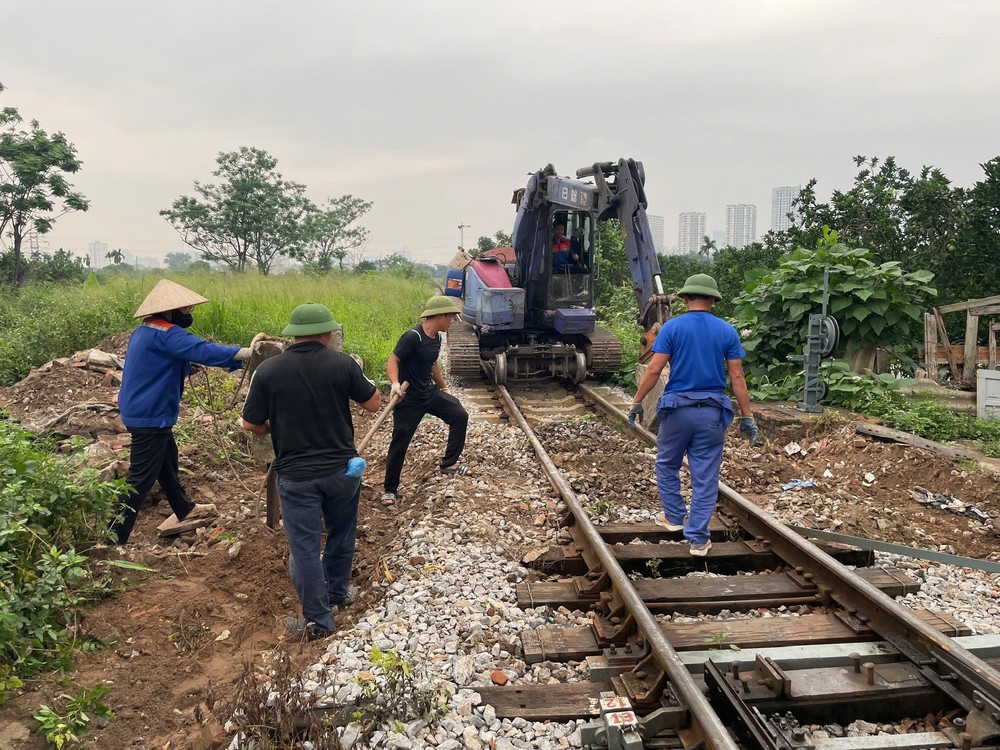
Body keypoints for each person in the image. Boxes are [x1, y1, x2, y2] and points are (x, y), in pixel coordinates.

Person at [242, 302, 380, 640]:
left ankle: (319, 621)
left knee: (303, 547)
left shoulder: (269, 371)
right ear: (327, 334)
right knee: (341, 532)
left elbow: (251, 424)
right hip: (341, 471)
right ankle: (336, 593)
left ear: (293, 336)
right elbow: (374, 403)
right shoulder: (343, 364)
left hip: (296, 475)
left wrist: (274, 427)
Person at [627, 273, 760, 557]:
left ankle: (674, 517)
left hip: (677, 411)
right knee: (705, 475)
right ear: (713, 300)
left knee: (666, 462)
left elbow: (653, 370)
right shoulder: (726, 331)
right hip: (712, 413)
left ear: (685, 299)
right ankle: (699, 538)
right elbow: (737, 376)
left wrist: (636, 402)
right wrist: (747, 416)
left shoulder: (672, 328)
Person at [111, 279, 252, 545]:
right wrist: (242, 353)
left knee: (167, 460)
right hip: (150, 414)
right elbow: (203, 349)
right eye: (186, 310)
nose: (189, 314)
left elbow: (154, 366)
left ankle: (183, 508)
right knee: (141, 478)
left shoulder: (145, 331)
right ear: (169, 312)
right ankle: (112, 538)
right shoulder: (168, 334)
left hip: (142, 409)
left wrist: (186, 368)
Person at [381, 295, 471, 506]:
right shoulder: (413, 337)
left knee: (459, 415)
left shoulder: (437, 338)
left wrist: (444, 388)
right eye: (450, 317)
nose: (451, 322)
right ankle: (389, 489)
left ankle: (449, 464)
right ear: (440, 315)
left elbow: (433, 365)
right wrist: (395, 384)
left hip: (428, 393)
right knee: (400, 442)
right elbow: (393, 360)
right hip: (408, 399)